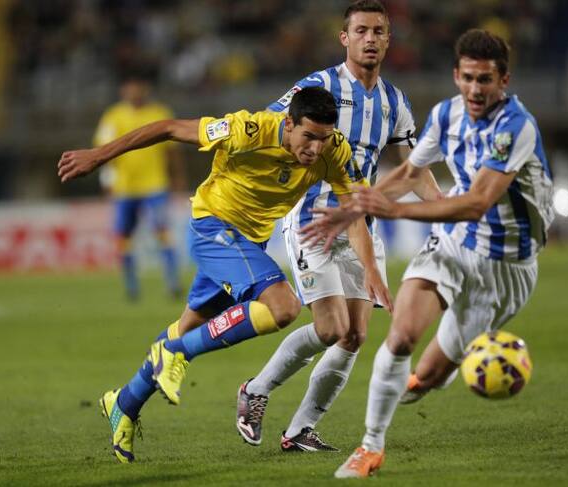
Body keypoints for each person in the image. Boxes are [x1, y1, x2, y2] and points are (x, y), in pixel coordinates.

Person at [58, 86, 389, 464]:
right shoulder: (248, 130)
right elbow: (168, 128)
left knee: (187, 327)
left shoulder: (335, 151)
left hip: (248, 244)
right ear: (289, 124)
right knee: (283, 307)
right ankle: (176, 354)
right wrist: (98, 155)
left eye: (324, 138)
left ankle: (124, 402)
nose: (315, 148)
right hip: (212, 228)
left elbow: (356, 214)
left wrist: (371, 270)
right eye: (309, 136)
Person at [300, 29, 554, 478]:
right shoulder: (445, 115)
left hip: (506, 266)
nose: (475, 89)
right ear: (456, 76)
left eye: (485, 80)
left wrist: (395, 210)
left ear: (504, 81)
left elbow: (477, 202)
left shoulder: (515, 127)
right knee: (399, 337)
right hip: (455, 242)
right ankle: (370, 447)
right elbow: (410, 173)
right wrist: (352, 209)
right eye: (468, 78)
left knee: (427, 377)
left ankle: (436, 372)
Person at [236, 0, 442, 453]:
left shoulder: (394, 101)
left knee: (354, 335)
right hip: (312, 220)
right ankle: (255, 389)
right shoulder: (318, 85)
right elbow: (272, 126)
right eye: (361, 30)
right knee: (330, 328)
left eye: (378, 31)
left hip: (359, 226)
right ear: (344, 37)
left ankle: (300, 430)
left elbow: (414, 171)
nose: (370, 39)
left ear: (388, 40)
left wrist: (447, 209)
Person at [94, 71, 185, 301]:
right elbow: (104, 152)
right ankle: (131, 285)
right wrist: (106, 180)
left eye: (137, 86)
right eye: (129, 87)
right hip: (124, 187)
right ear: (123, 90)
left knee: (163, 232)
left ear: (145, 89)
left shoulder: (160, 113)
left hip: (155, 184)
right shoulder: (113, 116)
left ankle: (173, 282)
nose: (133, 91)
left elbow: (172, 151)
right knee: (124, 236)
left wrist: (177, 176)